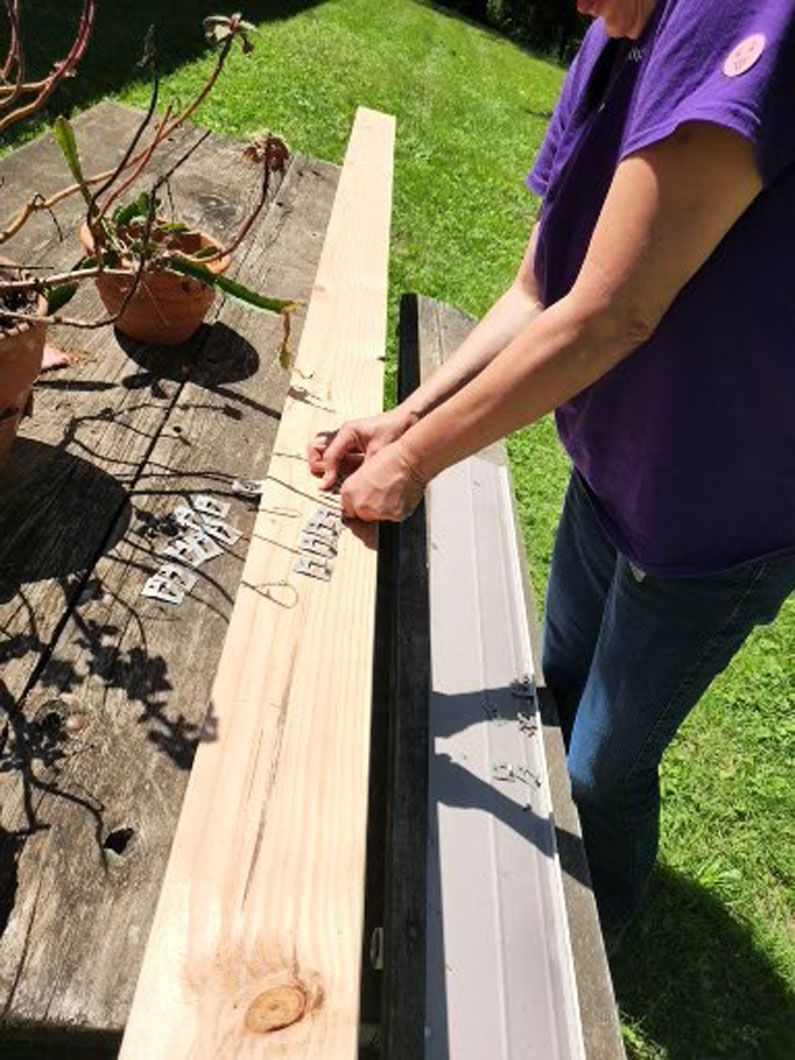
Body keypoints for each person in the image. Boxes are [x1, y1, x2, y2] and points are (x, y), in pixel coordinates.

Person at [307, 0, 795, 944]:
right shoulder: (617, 36)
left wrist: (413, 464)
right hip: (618, 463)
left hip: (723, 514)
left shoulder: (749, 18)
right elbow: (541, 290)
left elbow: (614, 314)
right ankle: (541, 885)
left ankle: (592, 935)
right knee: (554, 687)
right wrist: (401, 421)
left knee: (604, 762)